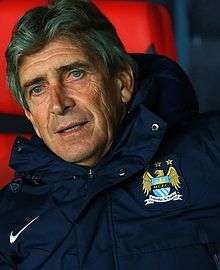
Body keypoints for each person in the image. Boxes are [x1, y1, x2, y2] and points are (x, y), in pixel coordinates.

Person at [0, 0, 220, 269]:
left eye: (75, 74)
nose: (58, 104)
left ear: (122, 84)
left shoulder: (210, 151)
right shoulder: (8, 217)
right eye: (37, 89)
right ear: (31, 116)